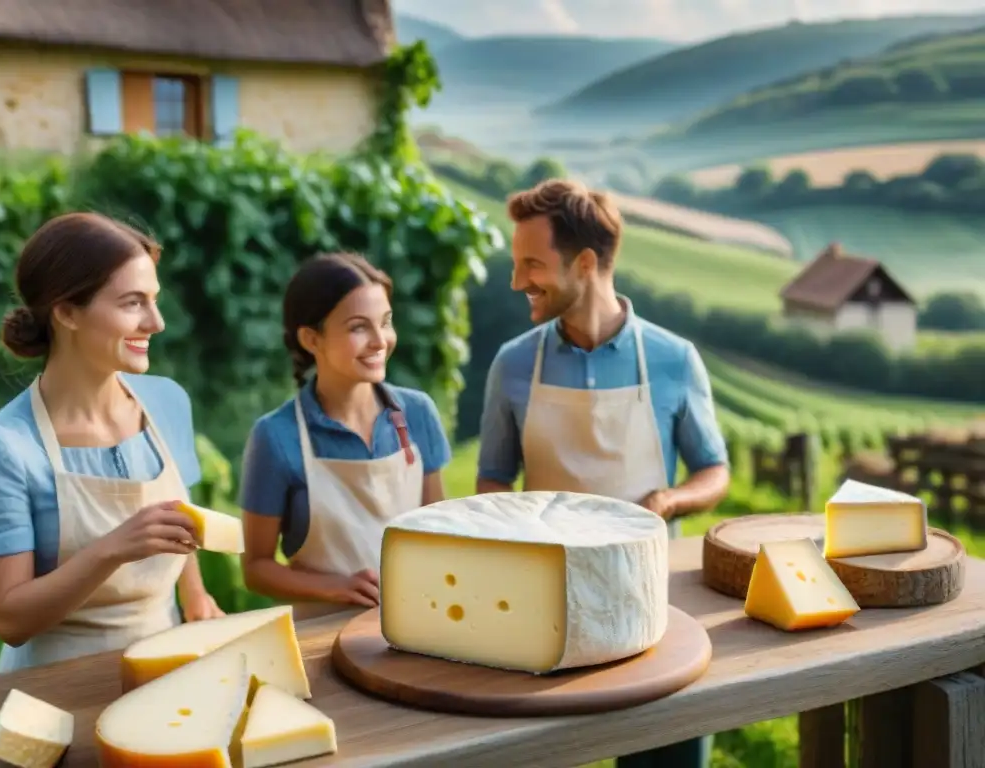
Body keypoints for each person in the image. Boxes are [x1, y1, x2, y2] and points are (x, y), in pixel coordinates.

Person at [476, 179, 730, 768]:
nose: (517, 283)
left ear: (586, 263)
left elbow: (714, 472)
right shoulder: (513, 364)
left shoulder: (673, 358)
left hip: (652, 598)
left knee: (666, 752)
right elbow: (492, 479)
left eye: (532, 265)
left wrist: (667, 501)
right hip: (541, 606)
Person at [0, 212, 224, 674]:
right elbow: (10, 618)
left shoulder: (167, 402)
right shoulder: (2, 448)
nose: (156, 322)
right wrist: (112, 548)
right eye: (132, 303)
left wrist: (197, 597)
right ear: (66, 312)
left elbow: (179, 523)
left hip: (168, 670)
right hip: (54, 690)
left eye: (154, 300)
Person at [239, 252, 452, 619]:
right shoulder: (276, 437)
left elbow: (441, 533)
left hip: (418, 623)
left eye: (385, 322)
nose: (380, 341)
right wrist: (336, 588)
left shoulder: (417, 413)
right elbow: (256, 568)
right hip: (321, 637)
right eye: (358, 327)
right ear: (311, 339)